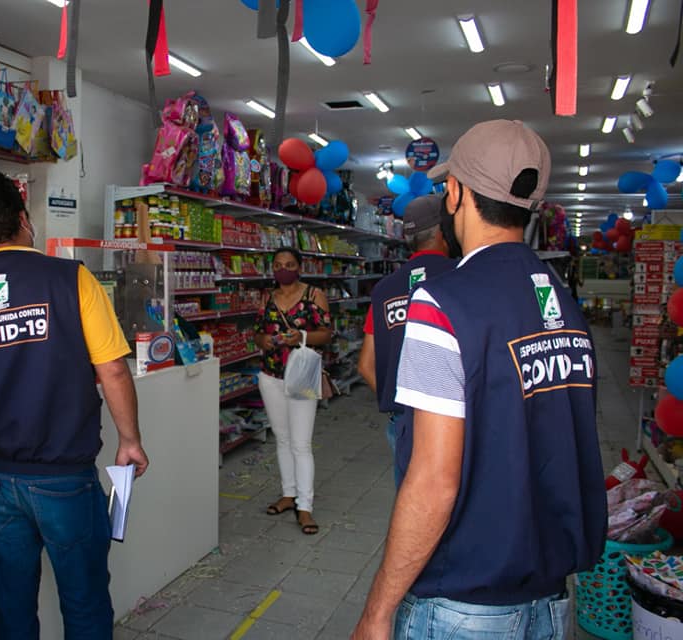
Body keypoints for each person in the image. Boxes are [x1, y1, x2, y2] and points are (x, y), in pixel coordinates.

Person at [352, 120, 606, 640]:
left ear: (456, 192)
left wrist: (377, 611)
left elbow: (433, 480)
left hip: (465, 600)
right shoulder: (561, 300)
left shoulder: (444, 304)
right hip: (550, 596)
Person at [0, 172, 149, 640]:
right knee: (84, 601)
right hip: (63, 475)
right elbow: (114, 371)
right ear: (24, 220)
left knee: (10, 605)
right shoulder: (71, 279)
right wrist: (130, 441)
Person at [357, 195, 456, 486]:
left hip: (402, 423)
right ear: (443, 232)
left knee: (410, 498)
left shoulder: (384, 289)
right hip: (453, 422)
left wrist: (399, 405)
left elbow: (365, 365)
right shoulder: (463, 277)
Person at [253, 247, 333, 535]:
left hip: (301, 374)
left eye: (289, 264)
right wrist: (265, 340)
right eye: (277, 265)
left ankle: (305, 506)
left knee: (301, 443)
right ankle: (288, 494)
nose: (283, 270)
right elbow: (257, 332)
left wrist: (302, 336)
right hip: (270, 374)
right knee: (283, 438)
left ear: (299, 267)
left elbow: (327, 333)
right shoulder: (267, 297)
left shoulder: (314, 295)